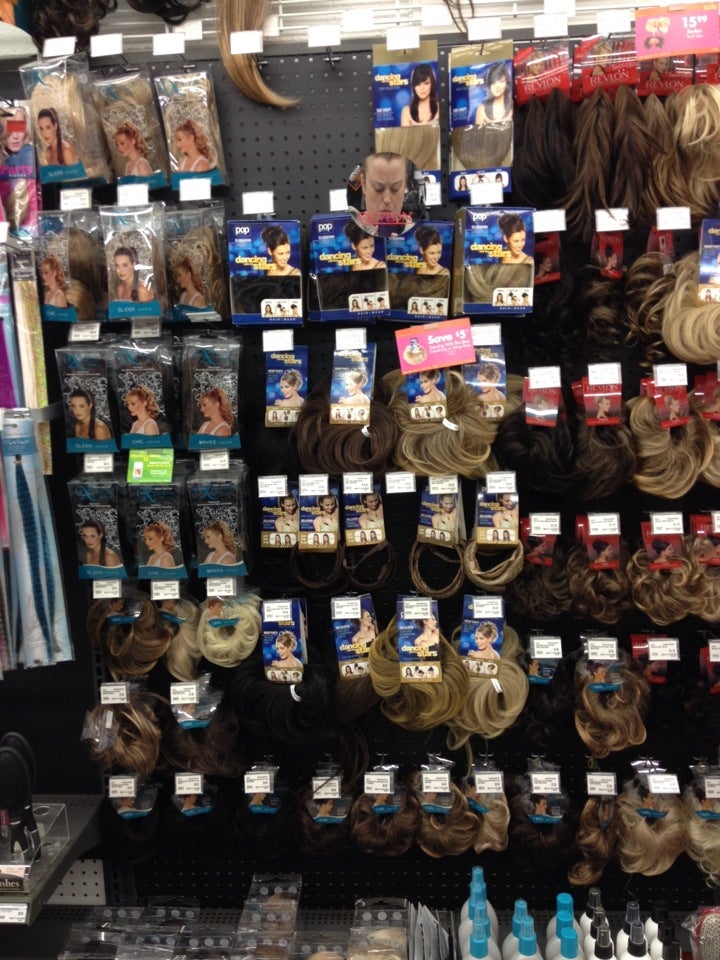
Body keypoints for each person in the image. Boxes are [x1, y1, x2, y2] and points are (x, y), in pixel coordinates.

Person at [358, 152, 411, 225]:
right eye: (378, 189)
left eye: (395, 188)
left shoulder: (415, 229)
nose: (387, 200)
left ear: (405, 184)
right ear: (364, 184)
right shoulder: (348, 229)